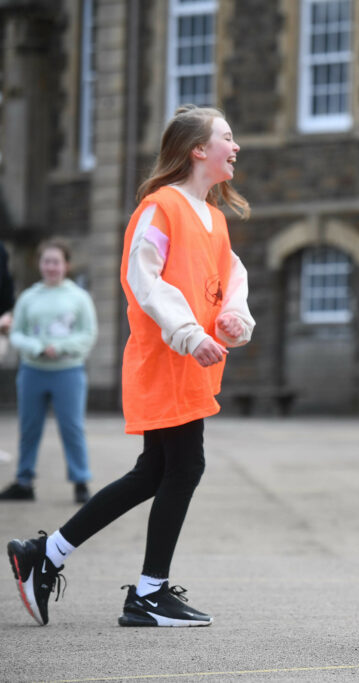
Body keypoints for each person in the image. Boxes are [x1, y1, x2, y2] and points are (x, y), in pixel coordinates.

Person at [6, 105, 254, 628]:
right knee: (184, 467)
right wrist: (188, 332)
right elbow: (144, 281)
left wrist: (235, 316)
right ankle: (147, 593)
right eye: (226, 138)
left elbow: (232, 275)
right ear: (197, 150)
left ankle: (44, 555)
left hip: (190, 362)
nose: (235, 147)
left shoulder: (212, 216)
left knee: (154, 472)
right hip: (165, 359)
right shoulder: (160, 208)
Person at [0, 239, 97, 503]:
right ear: (40, 264)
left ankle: (80, 481)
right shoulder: (28, 297)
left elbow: (88, 334)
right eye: (46, 261)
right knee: (29, 427)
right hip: (32, 372)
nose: (51, 267)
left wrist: (61, 347)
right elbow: (17, 333)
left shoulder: (79, 298)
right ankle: (24, 481)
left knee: (73, 428)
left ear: (66, 265)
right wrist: (36, 348)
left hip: (69, 372)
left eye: (56, 262)